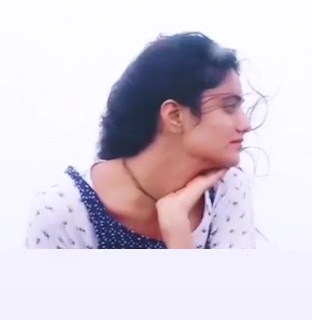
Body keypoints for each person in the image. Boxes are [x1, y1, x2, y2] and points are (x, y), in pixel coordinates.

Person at [25, 32, 258, 249]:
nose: (245, 124)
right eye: (229, 107)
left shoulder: (226, 187)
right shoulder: (62, 211)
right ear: (175, 116)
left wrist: (178, 233)